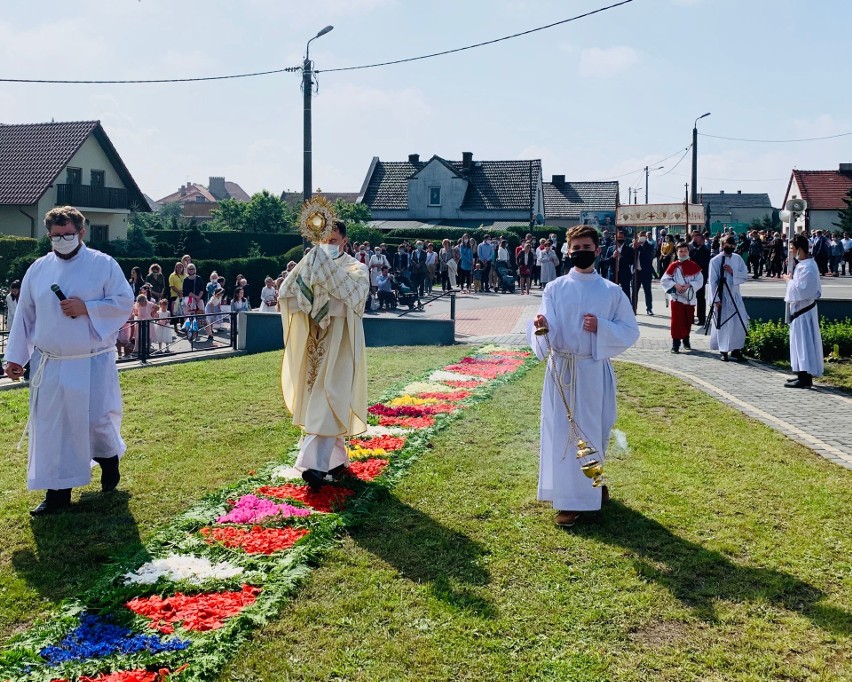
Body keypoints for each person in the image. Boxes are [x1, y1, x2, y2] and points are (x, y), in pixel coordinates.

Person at [3, 206, 134, 515]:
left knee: (96, 422)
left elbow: (123, 302)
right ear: (48, 235)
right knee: (53, 428)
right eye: (56, 236)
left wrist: (86, 307)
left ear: (81, 233)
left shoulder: (103, 265)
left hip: (91, 362)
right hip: (51, 363)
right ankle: (57, 494)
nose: (62, 240)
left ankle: (108, 460)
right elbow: (25, 314)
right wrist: (15, 357)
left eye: (68, 234)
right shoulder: (38, 268)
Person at [528, 225, 639, 528]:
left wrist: (602, 327)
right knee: (562, 434)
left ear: (597, 250)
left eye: (585, 247)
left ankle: (594, 484)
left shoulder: (611, 291)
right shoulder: (555, 288)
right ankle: (569, 500)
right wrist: (540, 324)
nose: (580, 253)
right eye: (575, 248)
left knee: (591, 432)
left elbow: (630, 331)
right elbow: (542, 323)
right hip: (562, 369)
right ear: (568, 251)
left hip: (591, 370)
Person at [278, 220, 369, 490]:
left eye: (333, 240)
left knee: (331, 395)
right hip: (315, 342)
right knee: (320, 399)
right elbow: (288, 293)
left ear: (344, 240)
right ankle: (336, 460)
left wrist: (323, 277)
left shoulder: (356, 268)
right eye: (323, 240)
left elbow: (354, 299)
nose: (327, 245)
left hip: (341, 343)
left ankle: (313, 466)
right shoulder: (310, 263)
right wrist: (309, 285)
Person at [783, 234, 823, 388]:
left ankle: (805, 378)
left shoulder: (809, 267)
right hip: (800, 312)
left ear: (800, 249)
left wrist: (789, 281)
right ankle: (800, 372)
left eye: (792, 249)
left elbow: (803, 290)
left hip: (804, 312)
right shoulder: (803, 265)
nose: (791, 252)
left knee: (804, 344)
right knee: (798, 344)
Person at [708, 236, 749, 362]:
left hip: (735, 295)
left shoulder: (738, 258)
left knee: (740, 322)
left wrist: (733, 272)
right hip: (723, 296)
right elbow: (712, 281)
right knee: (724, 323)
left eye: (733, 245)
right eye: (728, 244)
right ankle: (724, 350)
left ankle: (736, 350)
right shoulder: (715, 260)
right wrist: (716, 299)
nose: (731, 247)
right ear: (722, 244)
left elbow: (745, 275)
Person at [660, 243, 703, 353]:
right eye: (681, 251)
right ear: (677, 252)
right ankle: (675, 344)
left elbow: (700, 281)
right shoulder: (673, 266)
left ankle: (686, 339)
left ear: (688, 252)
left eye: (685, 251)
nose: (683, 253)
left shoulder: (694, 265)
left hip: (689, 298)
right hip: (677, 298)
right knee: (676, 321)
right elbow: (664, 280)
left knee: (688, 320)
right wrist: (675, 285)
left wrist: (690, 285)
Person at [688, 231, 711, 327]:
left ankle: (701, 318)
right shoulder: (692, 250)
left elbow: (703, 263)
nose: (693, 238)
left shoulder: (705, 250)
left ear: (701, 239)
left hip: (701, 277)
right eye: (692, 236)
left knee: (700, 297)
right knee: (691, 297)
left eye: (695, 236)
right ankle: (690, 317)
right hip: (691, 277)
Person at [634, 232, 655, 315]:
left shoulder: (649, 245)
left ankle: (649, 308)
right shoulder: (634, 245)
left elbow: (648, 256)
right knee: (635, 292)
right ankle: (633, 308)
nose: (642, 237)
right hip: (636, 272)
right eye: (641, 236)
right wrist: (634, 247)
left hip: (646, 272)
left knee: (647, 291)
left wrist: (639, 247)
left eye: (644, 236)